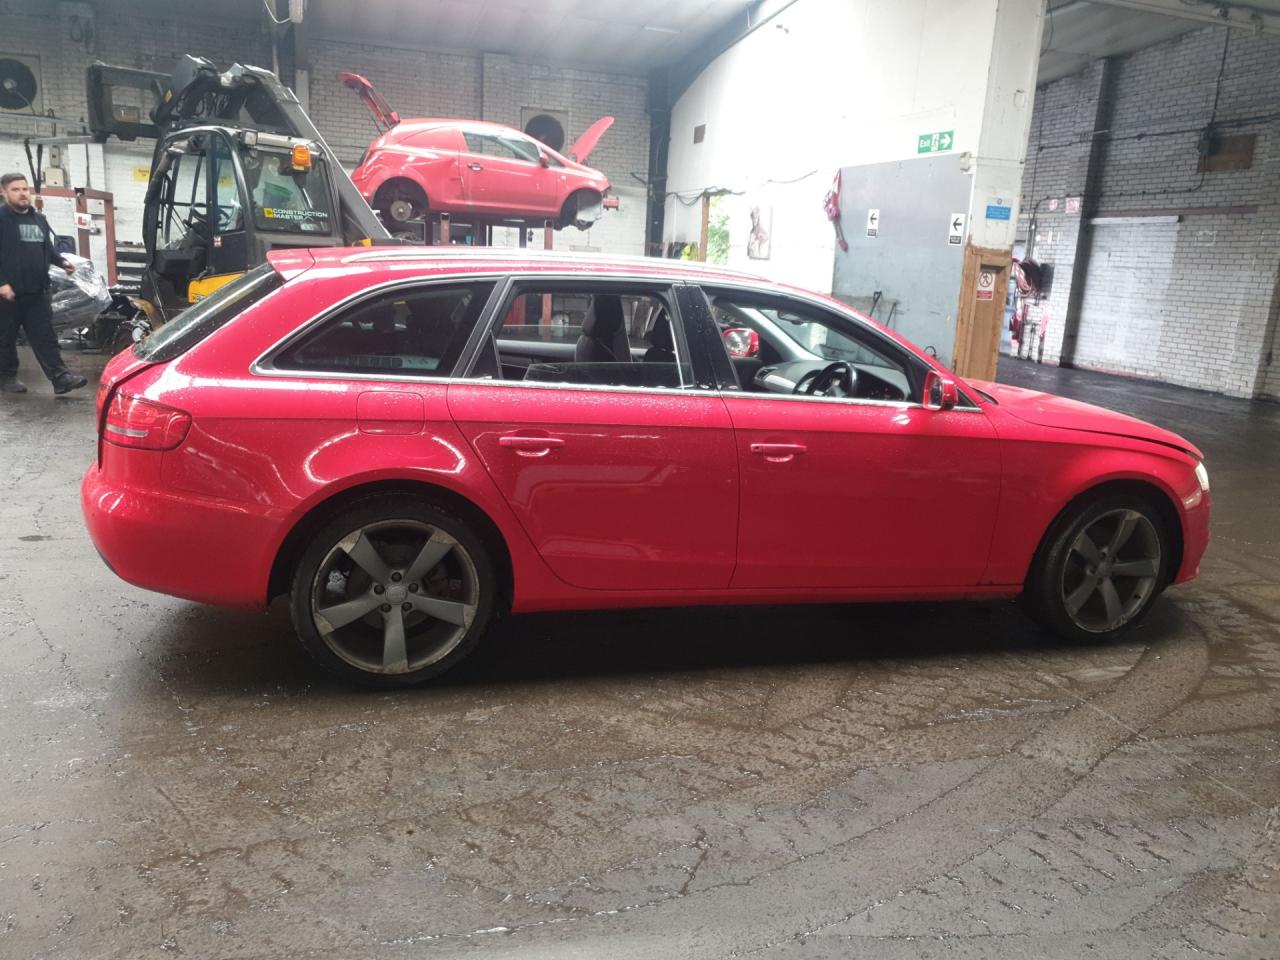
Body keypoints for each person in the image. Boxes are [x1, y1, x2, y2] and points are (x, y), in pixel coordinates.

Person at [0, 172, 88, 395]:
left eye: (24, 189)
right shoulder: (1, 219)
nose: (22, 194)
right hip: (7, 293)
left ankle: (60, 378)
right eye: (15, 190)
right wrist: (2, 283)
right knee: (5, 338)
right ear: (4, 192)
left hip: (37, 291)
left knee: (45, 336)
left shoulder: (39, 219)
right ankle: (6, 377)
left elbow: (47, 248)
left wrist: (61, 262)